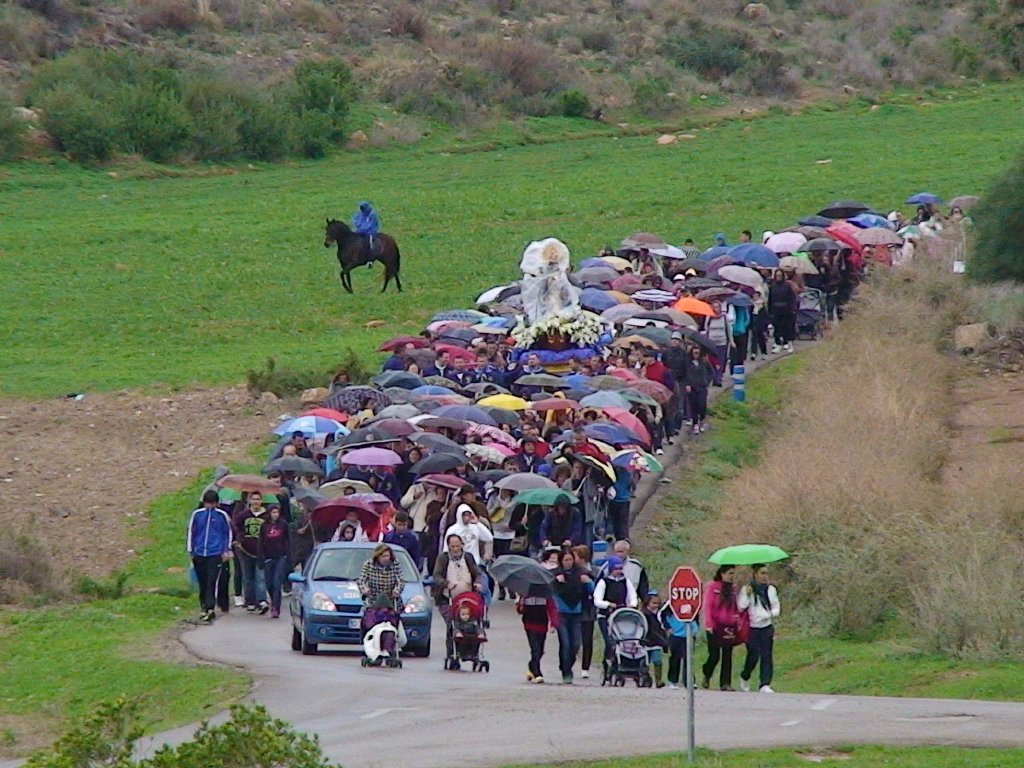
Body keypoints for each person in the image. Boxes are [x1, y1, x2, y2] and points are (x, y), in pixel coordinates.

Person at [187, 490, 234, 623]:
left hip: (215, 553)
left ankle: (210, 608)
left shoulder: (222, 515)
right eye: (208, 504)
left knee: (212, 581)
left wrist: (226, 549)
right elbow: (192, 532)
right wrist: (191, 550)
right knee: (202, 581)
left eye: (212, 504)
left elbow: (227, 533)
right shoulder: (197, 514)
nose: (210, 506)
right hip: (200, 552)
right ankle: (203, 607)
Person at [738, 563, 781, 693]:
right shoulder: (747, 589)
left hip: (766, 626)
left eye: (766, 573)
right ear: (755, 574)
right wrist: (748, 595)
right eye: (762, 573)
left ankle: (765, 683)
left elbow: (776, 607)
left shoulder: (770, 590)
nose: (765, 576)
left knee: (766, 654)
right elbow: (741, 607)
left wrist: (770, 614)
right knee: (753, 654)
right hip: (752, 628)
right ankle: (745, 675)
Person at [552, 548, 592, 684]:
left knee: (575, 644)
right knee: (565, 643)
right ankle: (566, 672)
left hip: (576, 612)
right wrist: (557, 581)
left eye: (570, 559)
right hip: (561, 613)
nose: (568, 562)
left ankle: (567, 664)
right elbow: (551, 592)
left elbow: (592, 590)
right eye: (565, 560)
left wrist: (588, 582)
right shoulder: (556, 574)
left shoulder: (581, 573)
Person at [593, 556, 639, 669]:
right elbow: (597, 599)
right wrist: (607, 604)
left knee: (623, 640)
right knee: (610, 642)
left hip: (620, 615)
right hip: (606, 616)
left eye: (620, 569)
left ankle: (622, 663)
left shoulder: (625, 581)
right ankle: (607, 663)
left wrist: (632, 605)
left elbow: (632, 596)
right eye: (616, 569)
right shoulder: (604, 582)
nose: (618, 571)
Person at [702, 565, 739, 691]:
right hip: (715, 625)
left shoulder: (733, 589)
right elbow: (708, 606)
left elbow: (735, 606)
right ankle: (707, 672)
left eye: (733, 573)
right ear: (722, 574)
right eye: (730, 573)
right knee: (714, 655)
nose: (732, 576)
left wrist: (736, 619)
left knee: (727, 654)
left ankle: (725, 682)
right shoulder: (713, 587)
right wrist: (709, 624)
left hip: (729, 626)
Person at [232, 492, 270, 614]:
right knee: (247, 576)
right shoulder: (243, 515)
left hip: (261, 551)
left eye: (258, 499)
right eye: (253, 499)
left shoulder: (267, 516)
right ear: (249, 501)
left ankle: (262, 600)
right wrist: (237, 540)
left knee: (260, 577)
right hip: (244, 550)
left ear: (261, 501)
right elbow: (233, 525)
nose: (255, 502)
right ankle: (250, 601)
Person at [518, 582, 560, 684]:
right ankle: (537, 673)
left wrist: (553, 624)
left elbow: (552, 608)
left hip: (542, 624)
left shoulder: (546, 594)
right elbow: (520, 611)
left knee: (540, 650)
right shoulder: (526, 593)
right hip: (529, 624)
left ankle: (531, 666)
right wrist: (521, 603)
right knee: (535, 648)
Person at [658, 594, 699, 689]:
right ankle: (673, 681)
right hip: (675, 635)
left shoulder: (693, 598)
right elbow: (661, 614)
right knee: (675, 658)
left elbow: (696, 614)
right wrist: (667, 627)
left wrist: (696, 628)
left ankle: (689, 681)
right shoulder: (672, 600)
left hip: (689, 634)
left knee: (688, 658)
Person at [258, 505, 290, 619]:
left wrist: (289, 556)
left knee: (277, 583)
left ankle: (276, 608)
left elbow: (288, 540)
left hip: (280, 557)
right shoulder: (264, 526)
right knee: (269, 584)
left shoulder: (283, 524)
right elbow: (261, 542)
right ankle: (273, 600)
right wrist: (261, 557)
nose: (275, 515)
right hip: (268, 558)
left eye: (277, 512)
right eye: (273, 512)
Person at [572, 545, 598, 679]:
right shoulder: (572, 571)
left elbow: (598, 590)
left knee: (587, 638)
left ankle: (585, 667)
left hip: (588, 608)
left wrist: (589, 583)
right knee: (574, 638)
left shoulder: (595, 571)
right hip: (575, 606)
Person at [681, 346, 714, 434]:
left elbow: (711, 372)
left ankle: (702, 421)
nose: (696, 355)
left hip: (702, 387)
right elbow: (684, 374)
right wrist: (687, 384)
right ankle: (695, 423)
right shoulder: (687, 363)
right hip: (692, 387)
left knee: (702, 405)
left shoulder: (704, 362)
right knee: (693, 406)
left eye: (697, 353)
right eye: (694, 353)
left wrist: (706, 381)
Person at [704, 300, 734, 386]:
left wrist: (731, 341)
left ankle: (718, 378)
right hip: (711, 343)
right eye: (714, 307)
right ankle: (714, 377)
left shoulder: (724, 317)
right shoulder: (709, 317)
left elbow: (728, 329)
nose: (716, 309)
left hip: (722, 342)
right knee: (712, 361)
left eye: (717, 307)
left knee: (720, 361)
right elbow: (707, 330)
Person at [643, 592, 669, 688]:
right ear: (647, 603)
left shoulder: (660, 615)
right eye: (653, 603)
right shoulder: (644, 615)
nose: (656, 605)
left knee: (658, 661)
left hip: (657, 643)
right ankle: (645, 678)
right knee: (645, 662)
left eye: (657, 603)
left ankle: (658, 680)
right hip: (646, 642)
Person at [768, 269, 797, 353]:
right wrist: (770, 312)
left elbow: (792, 298)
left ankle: (787, 342)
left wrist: (793, 309)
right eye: (777, 276)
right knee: (777, 328)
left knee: (787, 327)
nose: (778, 277)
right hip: (776, 310)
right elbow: (770, 300)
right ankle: (777, 344)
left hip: (786, 310)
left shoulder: (787, 286)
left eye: (780, 275)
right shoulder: (772, 286)